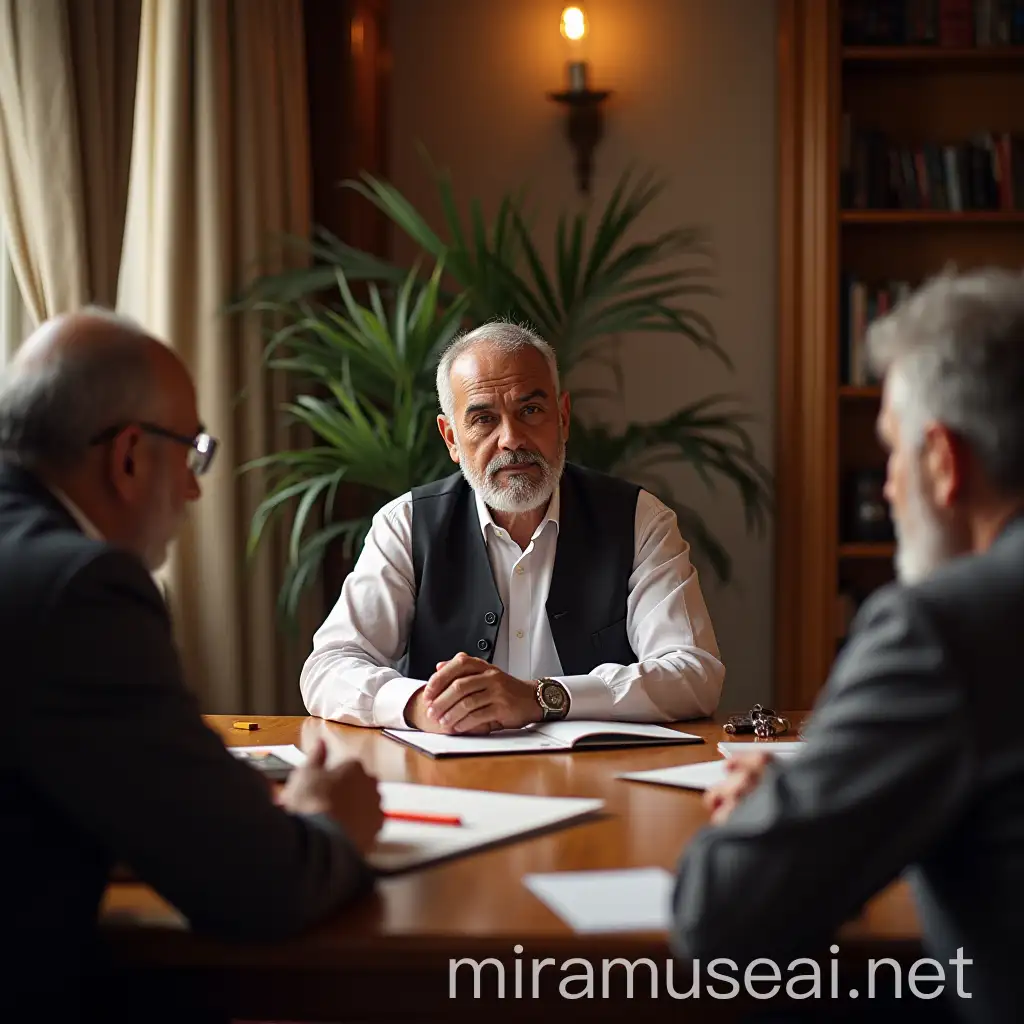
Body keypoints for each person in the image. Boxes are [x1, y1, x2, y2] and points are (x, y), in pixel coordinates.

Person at [0, 310, 383, 1020]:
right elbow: (262, 888)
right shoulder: (78, 590)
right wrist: (331, 825)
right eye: (195, 453)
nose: (196, 489)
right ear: (130, 457)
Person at [671, 268, 1024, 1023]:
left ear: (943, 461)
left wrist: (773, 816)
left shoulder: (944, 629)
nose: (888, 489)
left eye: (892, 453)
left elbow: (722, 917)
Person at [301, 320, 724, 734]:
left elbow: (694, 673)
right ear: (451, 438)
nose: (511, 439)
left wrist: (542, 698)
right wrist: (419, 707)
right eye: (483, 419)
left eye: (531, 410)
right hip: (449, 784)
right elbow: (328, 667)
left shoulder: (638, 519)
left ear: (563, 417)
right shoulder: (406, 525)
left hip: (596, 780)